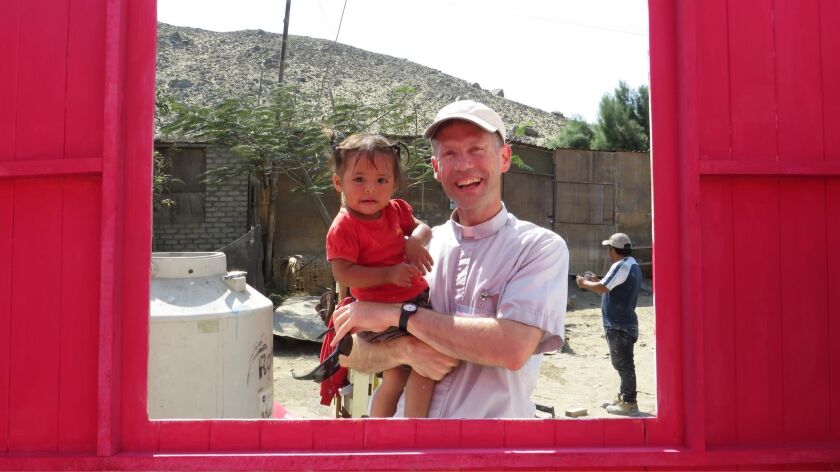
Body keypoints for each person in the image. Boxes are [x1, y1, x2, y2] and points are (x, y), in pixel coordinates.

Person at [330, 100, 569, 418]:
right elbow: (348, 356)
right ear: (436, 167)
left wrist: (397, 315)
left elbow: (512, 348)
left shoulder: (538, 249)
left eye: (476, 150)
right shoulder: (413, 248)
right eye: (450, 154)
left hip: (489, 450)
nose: (464, 165)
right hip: (408, 451)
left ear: (504, 158)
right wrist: (404, 348)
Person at [316, 133, 437, 418]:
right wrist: (389, 275)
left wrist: (414, 242)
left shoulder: (395, 211)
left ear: (393, 185)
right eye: (359, 180)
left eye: (381, 180)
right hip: (379, 313)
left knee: (409, 374)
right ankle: (403, 434)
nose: (370, 189)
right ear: (338, 183)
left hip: (414, 302)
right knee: (416, 370)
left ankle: (400, 435)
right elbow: (344, 273)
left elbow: (425, 228)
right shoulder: (344, 227)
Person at [576, 232, 642, 416]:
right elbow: (608, 285)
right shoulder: (631, 265)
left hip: (619, 323)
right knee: (622, 362)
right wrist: (595, 281)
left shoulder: (621, 265)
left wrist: (584, 283)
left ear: (614, 250)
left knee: (623, 364)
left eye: (609, 249)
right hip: (623, 322)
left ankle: (629, 402)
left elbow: (604, 287)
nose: (608, 252)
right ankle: (624, 397)